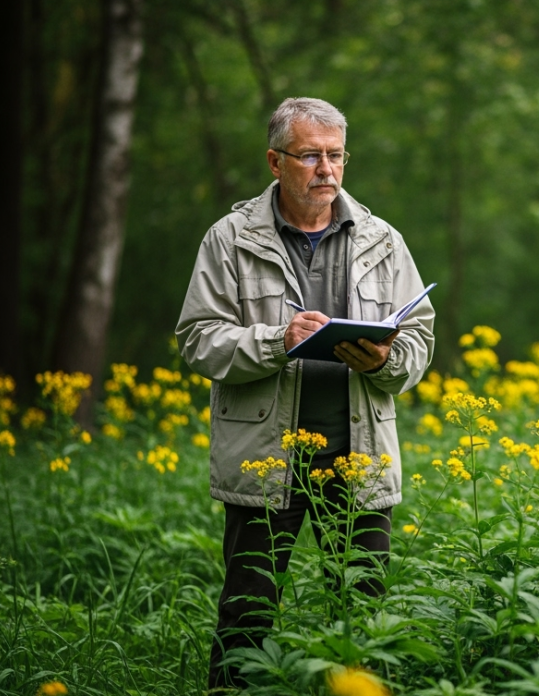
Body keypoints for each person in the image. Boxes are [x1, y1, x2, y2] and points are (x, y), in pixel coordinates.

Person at [175, 97, 434, 691]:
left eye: (336, 155)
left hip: (358, 457)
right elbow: (197, 340)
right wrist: (275, 340)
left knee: (363, 613)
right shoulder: (229, 239)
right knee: (248, 613)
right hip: (267, 457)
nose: (326, 169)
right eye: (310, 155)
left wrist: (386, 359)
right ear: (275, 160)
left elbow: (420, 336)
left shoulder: (382, 240)